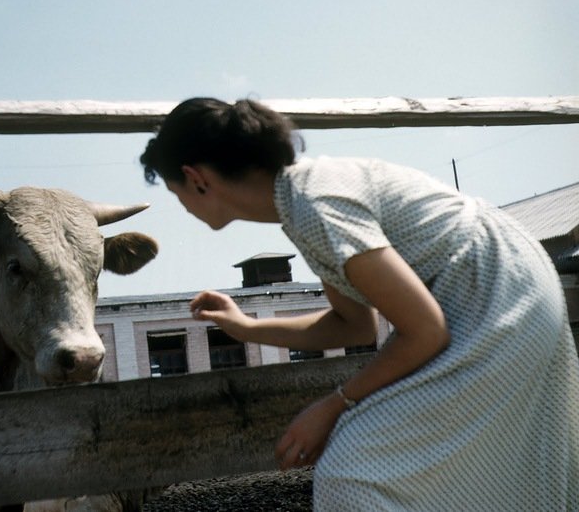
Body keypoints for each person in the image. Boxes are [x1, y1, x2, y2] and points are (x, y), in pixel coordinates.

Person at [139, 97, 579, 511]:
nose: (182, 206)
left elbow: (425, 331)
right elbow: (354, 325)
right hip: (500, 286)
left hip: (496, 295)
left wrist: (332, 406)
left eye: (176, 193)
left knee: (354, 469)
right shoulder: (298, 200)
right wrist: (247, 327)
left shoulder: (314, 204)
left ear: (196, 178)